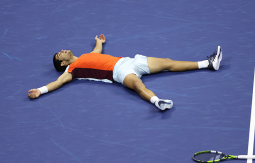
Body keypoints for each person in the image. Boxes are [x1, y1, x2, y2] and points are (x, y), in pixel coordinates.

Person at [28, 34, 222, 110]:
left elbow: (96, 53)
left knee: (168, 63)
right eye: (59, 55)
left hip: (129, 61)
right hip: (119, 74)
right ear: (62, 64)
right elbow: (58, 83)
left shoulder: (84, 56)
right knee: (138, 85)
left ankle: (208, 63)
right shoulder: (71, 70)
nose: (62, 51)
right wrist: (40, 90)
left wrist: (99, 42)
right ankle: (158, 102)